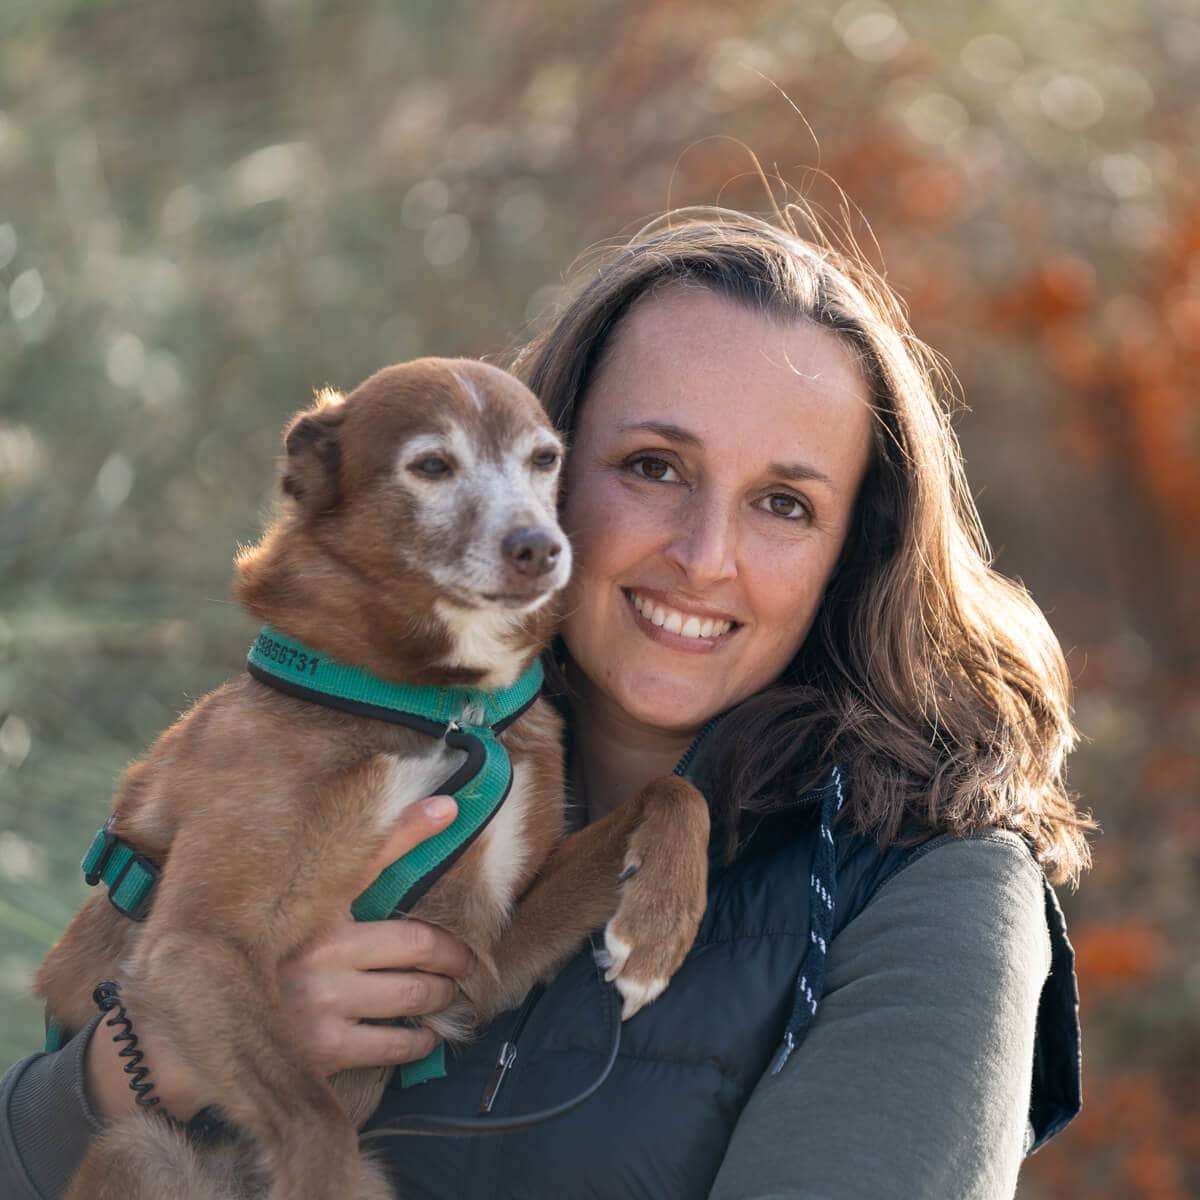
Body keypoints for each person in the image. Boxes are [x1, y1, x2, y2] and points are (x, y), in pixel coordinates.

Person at [1, 207, 1089, 1199]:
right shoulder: (329, 736)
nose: (704, 558)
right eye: (655, 467)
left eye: (783, 504)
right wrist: (149, 1062)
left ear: (854, 550)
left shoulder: (930, 886)